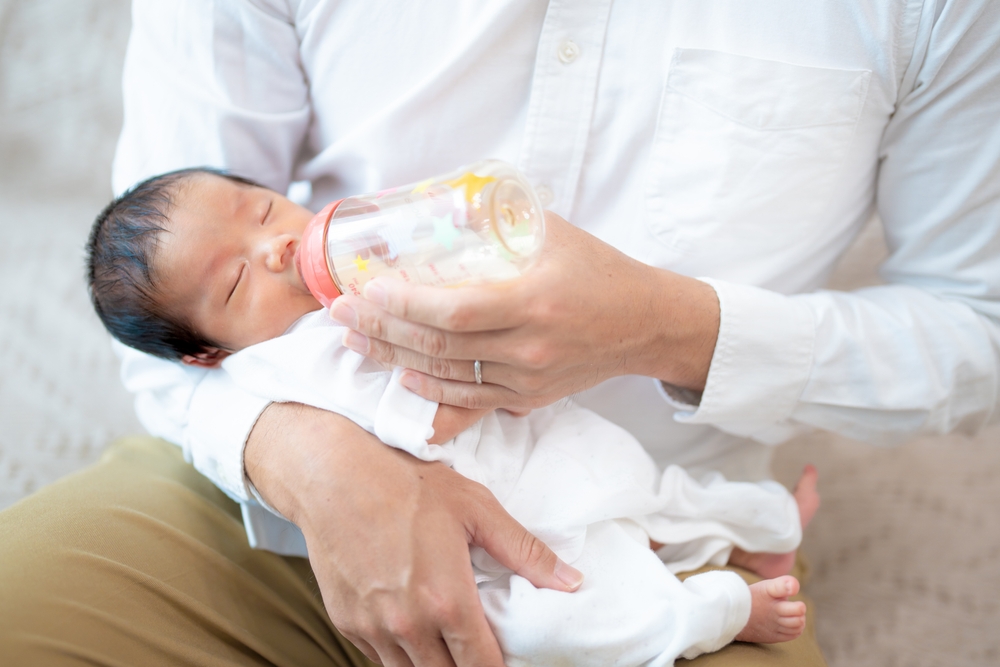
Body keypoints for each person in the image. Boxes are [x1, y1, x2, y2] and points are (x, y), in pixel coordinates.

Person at [1, 1, 997, 666]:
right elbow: (162, 304)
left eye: (271, 218)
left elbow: (974, 327)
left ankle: (747, 559)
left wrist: (667, 328)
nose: (271, 246)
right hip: (274, 510)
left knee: (656, 577)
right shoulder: (264, 335)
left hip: (635, 537)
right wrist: (310, 460)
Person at [84, 165, 822, 665]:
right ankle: (718, 609)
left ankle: (770, 527)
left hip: (564, 454)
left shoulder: (364, 262)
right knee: (555, 623)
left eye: (266, 210)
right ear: (207, 352)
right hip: (497, 552)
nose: (276, 247)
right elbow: (425, 422)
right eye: (239, 279)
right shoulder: (280, 361)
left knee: (674, 495)